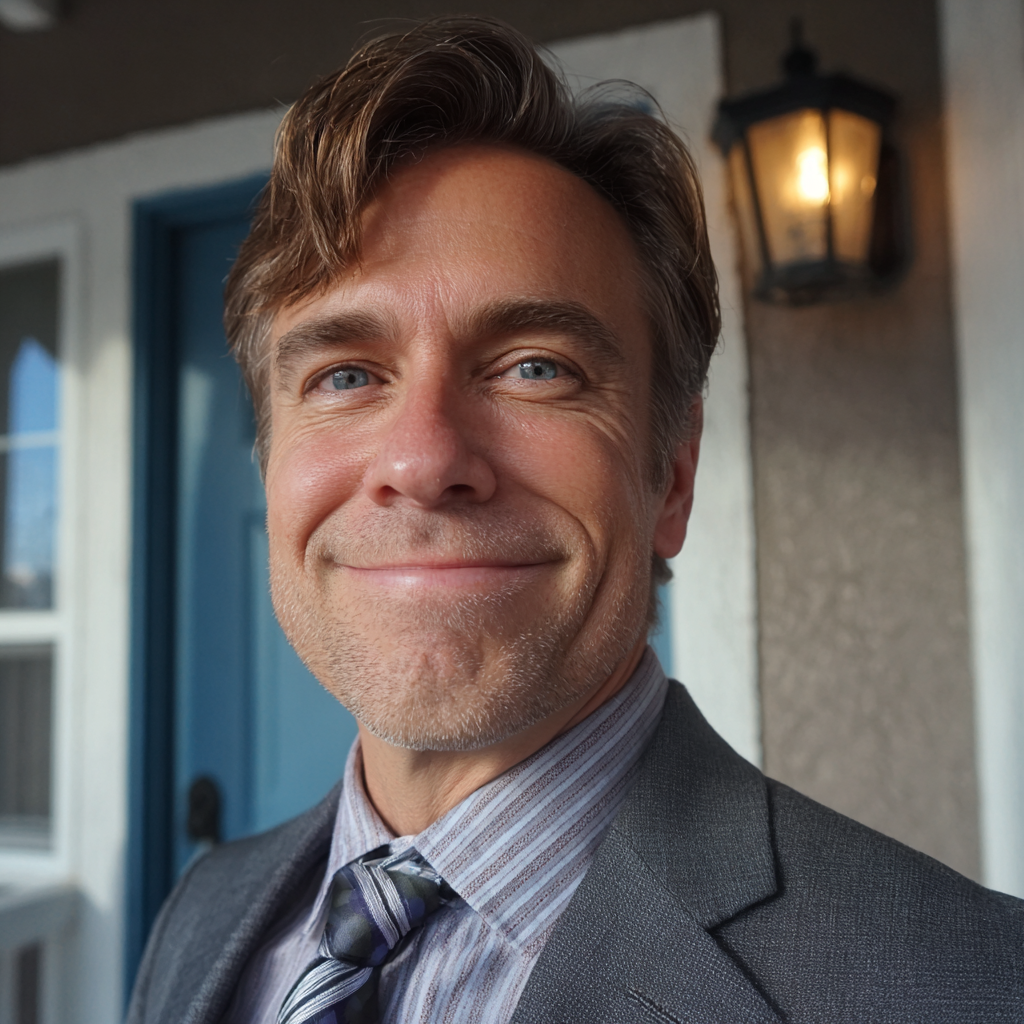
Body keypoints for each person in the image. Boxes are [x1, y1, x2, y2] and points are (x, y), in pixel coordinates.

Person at [126, 17, 1024, 1024]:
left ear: (670, 476)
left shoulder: (973, 984)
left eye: (535, 367)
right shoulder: (201, 915)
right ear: (270, 462)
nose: (422, 460)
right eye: (345, 374)